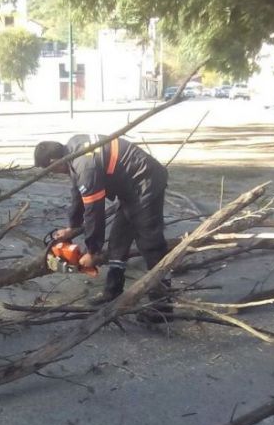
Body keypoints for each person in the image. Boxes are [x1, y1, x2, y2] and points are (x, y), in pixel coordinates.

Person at [34, 135, 171, 316]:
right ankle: (113, 291)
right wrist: (72, 227)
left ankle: (162, 304)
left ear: (53, 161)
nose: (53, 173)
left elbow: (94, 209)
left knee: (149, 241)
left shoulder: (84, 166)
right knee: (118, 240)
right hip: (130, 186)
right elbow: (78, 194)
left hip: (145, 181)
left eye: (50, 169)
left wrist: (92, 251)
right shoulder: (74, 150)